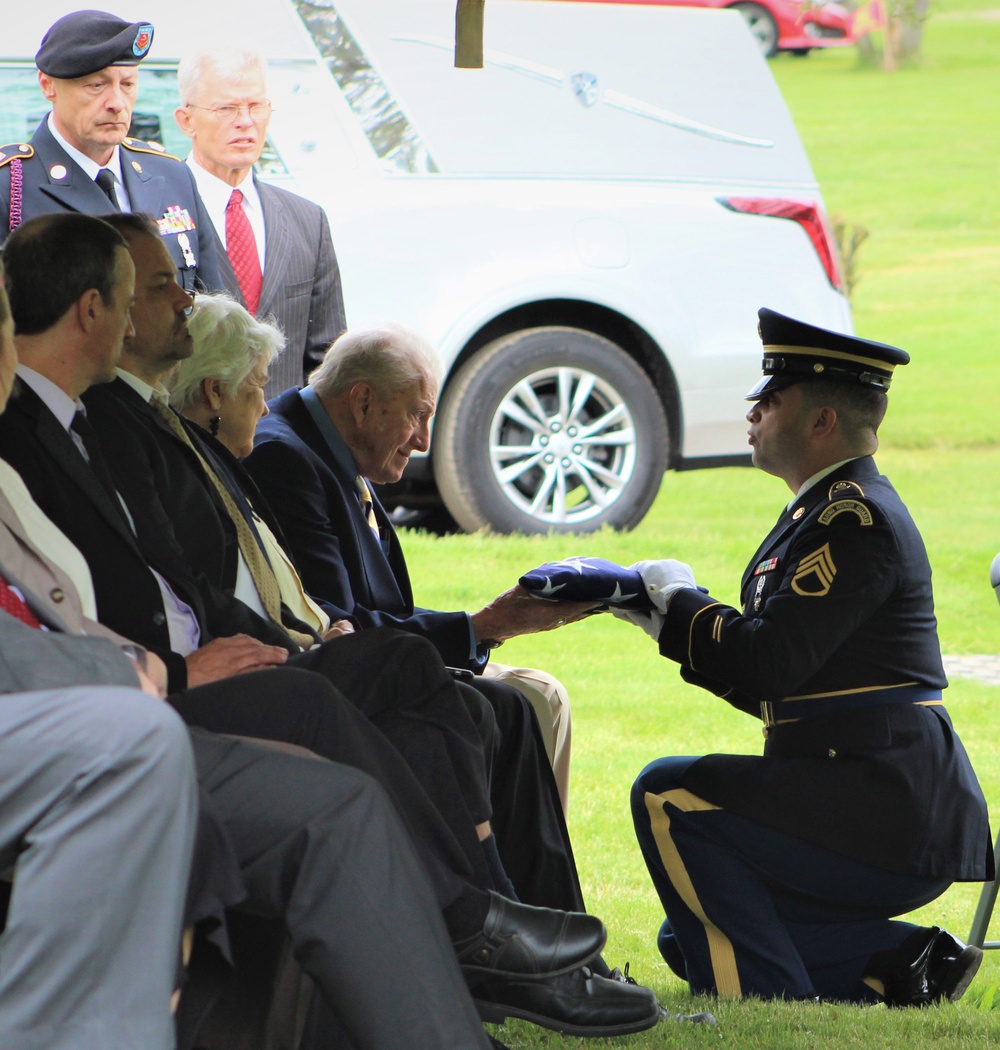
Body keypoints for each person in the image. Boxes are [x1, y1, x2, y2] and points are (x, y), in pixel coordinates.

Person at [0, 212, 659, 1039]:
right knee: (363, 717)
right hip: (118, 708)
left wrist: (266, 646)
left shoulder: (91, 424)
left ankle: (506, 941)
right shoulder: (63, 428)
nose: (173, 305)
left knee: (424, 686)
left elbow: (172, 583)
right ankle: (476, 933)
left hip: (155, 681)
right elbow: (72, 611)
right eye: (154, 289)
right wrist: (177, 669)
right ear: (95, 310)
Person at [610, 308, 991, 1004]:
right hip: (856, 790)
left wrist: (684, 605)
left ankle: (755, 1004)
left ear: (820, 423)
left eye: (771, 398)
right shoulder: (821, 513)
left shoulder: (855, 519)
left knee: (665, 792)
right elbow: (782, 687)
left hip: (883, 805)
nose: (753, 411)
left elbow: (767, 664)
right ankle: (904, 959)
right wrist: (659, 619)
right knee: (684, 933)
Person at [244, 322, 576, 811]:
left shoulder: (333, 441)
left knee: (543, 695)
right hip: (336, 682)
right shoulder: (285, 456)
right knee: (531, 700)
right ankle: (512, 877)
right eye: (417, 416)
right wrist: (485, 625)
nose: (423, 441)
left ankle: (524, 877)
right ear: (362, 402)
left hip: (381, 663)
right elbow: (336, 619)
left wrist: (482, 630)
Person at [0, 254, 198, 1048]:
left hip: (89, 691)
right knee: (136, 745)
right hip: (84, 703)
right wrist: (130, 671)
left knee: (329, 749)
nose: (11, 350)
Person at [0, 10, 220, 293]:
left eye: (127, 84)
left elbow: (213, 315)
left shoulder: (172, 175)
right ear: (48, 85)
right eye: (97, 85)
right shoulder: (11, 186)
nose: (117, 102)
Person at [174, 46, 346, 397]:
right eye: (226, 108)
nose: (245, 121)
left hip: (280, 442)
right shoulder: (157, 212)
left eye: (256, 106)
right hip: (188, 437)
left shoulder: (307, 221)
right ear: (186, 120)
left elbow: (328, 359)